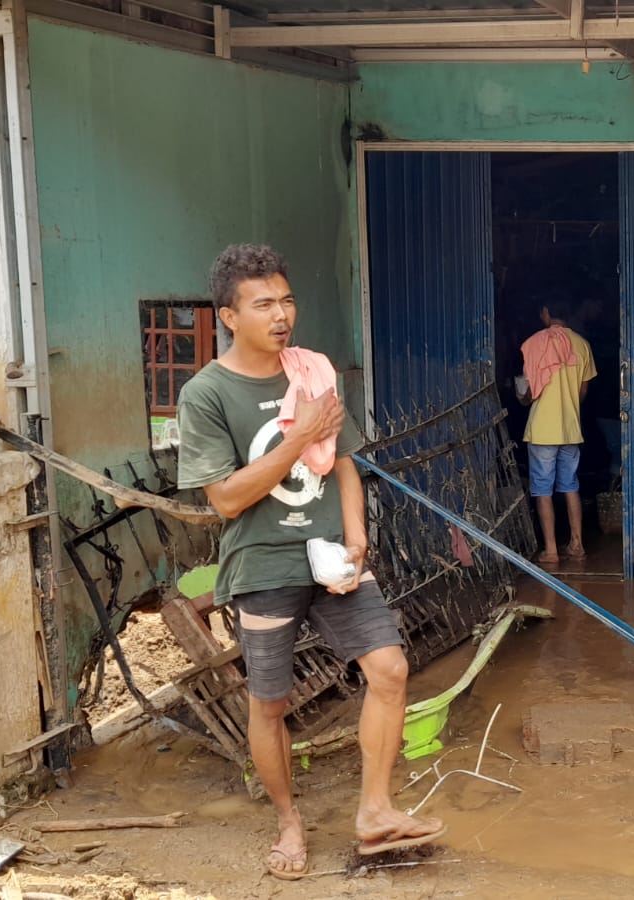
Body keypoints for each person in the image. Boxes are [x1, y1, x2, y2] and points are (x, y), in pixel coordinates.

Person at [177, 244, 444, 880]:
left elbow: (345, 462)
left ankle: (375, 811)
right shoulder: (207, 395)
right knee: (269, 704)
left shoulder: (313, 373)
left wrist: (357, 534)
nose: (281, 314)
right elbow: (226, 498)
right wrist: (297, 436)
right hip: (263, 566)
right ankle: (289, 823)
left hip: (333, 560)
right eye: (263, 303)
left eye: (287, 299)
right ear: (229, 316)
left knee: (390, 667)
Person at [517, 299, 597, 565]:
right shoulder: (583, 345)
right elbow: (583, 392)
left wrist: (524, 399)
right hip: (570, 429)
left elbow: (527, 393)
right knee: (571, 486)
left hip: (542, 430)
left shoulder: (534, 343)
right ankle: (577, 544)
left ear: (546, 313)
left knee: (543, 490)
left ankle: (551, 550)